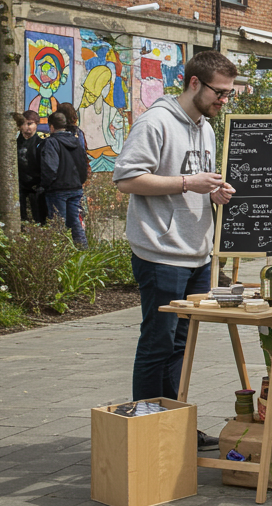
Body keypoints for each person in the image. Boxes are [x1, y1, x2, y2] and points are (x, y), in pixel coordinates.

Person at [114, 50, 238, 451]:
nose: (225, 100)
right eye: (220, 93)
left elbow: (198, 179)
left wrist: (214, 191)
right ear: (194, 83)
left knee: (182, 345)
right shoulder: (156, 122)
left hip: (197, 254)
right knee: (157, 342)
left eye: (229, 94)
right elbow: (127, 179)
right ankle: (148, 432)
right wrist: (187, 183)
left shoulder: (205, 126)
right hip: (161, 252)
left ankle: (176, 422)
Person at [40, 110, 88, 247]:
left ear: (51, 127)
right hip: (75, 188)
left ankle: (61, 256)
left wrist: (44, 185)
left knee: (58, 226)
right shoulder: (76, 141)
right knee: (76, 224)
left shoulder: (51, 142)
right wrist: (79, 182)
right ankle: (83, 253)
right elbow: (82, 165)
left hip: (58, 190)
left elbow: (50, 168)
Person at [15, 110, 48, 225]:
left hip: (37, 185)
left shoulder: (41, 143)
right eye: (24, 124)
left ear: (36, 124)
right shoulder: (15, 143)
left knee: (39, 216)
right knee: (21, 217)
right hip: (19, 184)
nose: (27, 127)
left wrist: (41, 184)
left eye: (30, 123)